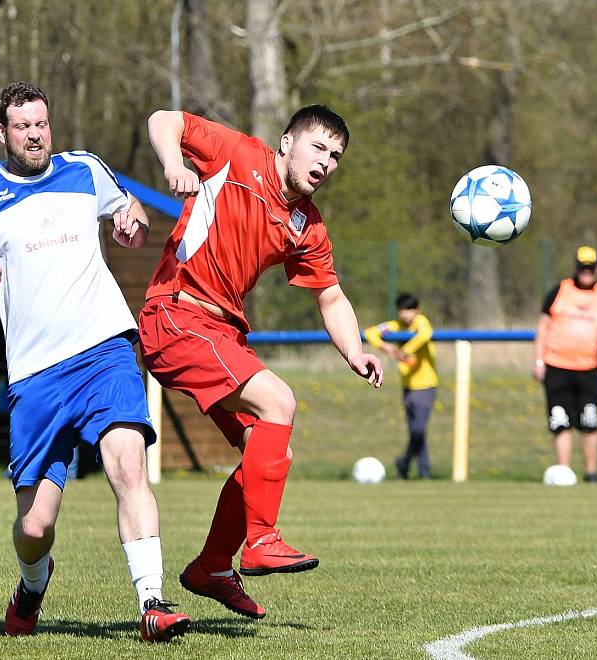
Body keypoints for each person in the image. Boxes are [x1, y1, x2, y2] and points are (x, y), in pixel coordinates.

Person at [0, 81, 189, 642]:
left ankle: (153, 601)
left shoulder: (85, 170)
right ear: (2, 132)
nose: (34, 134)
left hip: (105, 350)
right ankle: (32, 582)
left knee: (127, 465)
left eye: (41, 124)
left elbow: (132, 212)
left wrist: (132, 223)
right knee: (35, 525)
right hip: (36, 376)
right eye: (22, 126)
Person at [139, 105, 383, 619]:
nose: (326, 162)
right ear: (287, 141)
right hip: (177, 315)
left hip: (220, 332)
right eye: (318, 147)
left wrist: (354, 350)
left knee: (267, 451)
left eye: (336, 156)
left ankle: (212, 565)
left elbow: (332, 298)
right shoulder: (238, 154)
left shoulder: (306, 225)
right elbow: (166, 119)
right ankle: (261, 540)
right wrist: (172, 165)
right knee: (279, 401)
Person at [533, 246, 597, 482]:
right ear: (575, 269)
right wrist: (538, 360)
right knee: (560, 421)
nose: (586, 273)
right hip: (556, 365)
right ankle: (564, 473)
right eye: (582, 268)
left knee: (589, 421)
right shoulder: (560, 289)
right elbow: (542, 325)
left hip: (588, 368)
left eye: (590, 268)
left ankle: (591, 473)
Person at [364, 293, 438, 479]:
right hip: (408, 386)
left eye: (410, 310)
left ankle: (404, 462)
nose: (406, 314)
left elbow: (425, 335)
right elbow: (370, 332)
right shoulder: (395, 326)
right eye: (403, 310)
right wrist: (385, 346)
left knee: (418, 430)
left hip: (426, 385)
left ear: (417, 310)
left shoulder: (421, 322)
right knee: (416, 431)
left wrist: (404, 351)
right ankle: (423, 471)